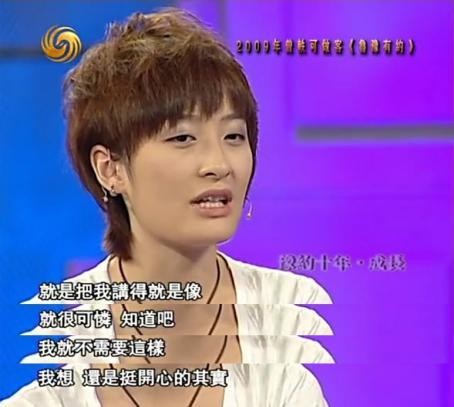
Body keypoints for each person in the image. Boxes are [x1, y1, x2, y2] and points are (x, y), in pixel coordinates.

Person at [1, 7, 334, 406]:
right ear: (111, 169)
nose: (219, 165)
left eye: (233, 136)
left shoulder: (284, 372)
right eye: (182, 139)